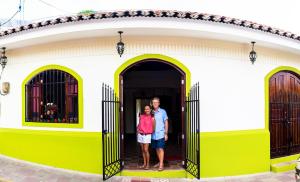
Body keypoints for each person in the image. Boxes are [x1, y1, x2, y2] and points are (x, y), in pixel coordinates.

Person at [151, 97, 168, 171]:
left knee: (161, 148)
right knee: (157, 149)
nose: (155, 103)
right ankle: (160, 161)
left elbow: (166, 122)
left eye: (156, 102)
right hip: (153, 134)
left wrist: (166, 133)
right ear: (152, 103)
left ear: (159, 103)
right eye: (153, 102)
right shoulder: (151, 112)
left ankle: (161, 164)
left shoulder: (163, 111)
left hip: (161, 133)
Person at [137, 105, 155, 170]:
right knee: (142, 150)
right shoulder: (141, 116)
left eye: (148, 109)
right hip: (140, 134)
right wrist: (138, 129)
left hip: (147, 135)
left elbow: (153, 127)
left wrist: (149, 131)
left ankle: (148, 164)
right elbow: (139, 124)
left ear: (150, 110)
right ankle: (144, 164)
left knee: (146, 150)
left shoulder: (152, 117)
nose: (146, 110)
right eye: (145, 109)